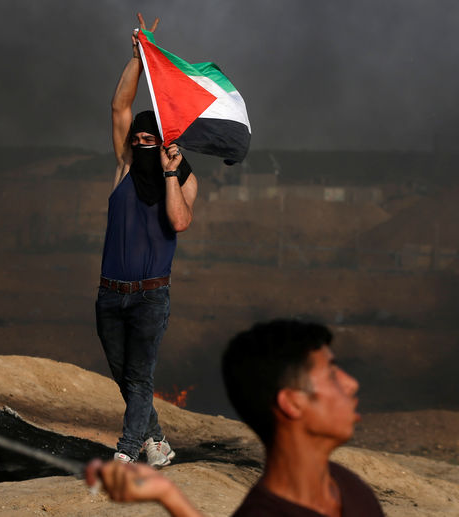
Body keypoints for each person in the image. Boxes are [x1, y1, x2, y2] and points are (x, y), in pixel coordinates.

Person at [86, 320, 385, 517]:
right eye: (332, 374)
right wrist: (168, 496)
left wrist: (170, 497)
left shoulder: (350, 487)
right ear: (291, 403)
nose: (351, 383)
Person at [95, 12, 199, 468]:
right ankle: (157, 439)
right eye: (135, 137)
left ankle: (126, 451)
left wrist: (172, 173)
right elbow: (120, 108)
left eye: (148, 138)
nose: (138, 142)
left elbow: (178, 222)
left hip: (150, 297)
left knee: (139, 376)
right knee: (126, 377)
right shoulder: (122, 167)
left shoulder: (184, 177)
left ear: (163, 142)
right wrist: (138, 56)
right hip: (109, 294)